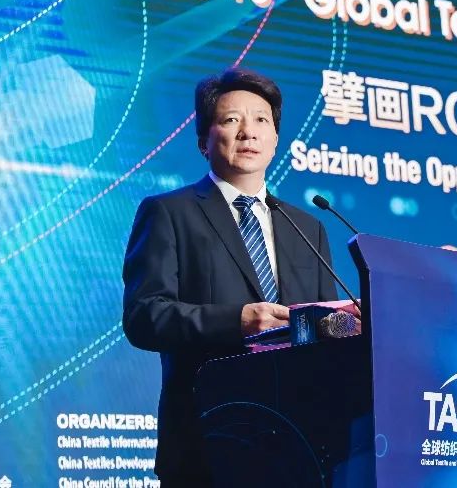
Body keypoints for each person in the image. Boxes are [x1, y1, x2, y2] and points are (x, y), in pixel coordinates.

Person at [122, 68, 338, 486]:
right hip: (207, 444)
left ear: (275, 139)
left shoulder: (308, 228)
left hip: (300, 446)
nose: (248, 132)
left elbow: (324, 330)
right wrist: (237, 321)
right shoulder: (169, 212)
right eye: (231, 120)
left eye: (261, 120)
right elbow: (144, 316)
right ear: (204, 141)